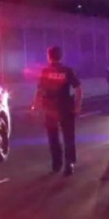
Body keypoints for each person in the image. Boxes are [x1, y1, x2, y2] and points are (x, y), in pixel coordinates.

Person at [34, 46, 82, 176]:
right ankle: (69, 164)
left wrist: (35, 105)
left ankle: (56, 165)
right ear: (61, 56)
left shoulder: (45, 71)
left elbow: (40, 90)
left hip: (50, 109)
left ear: (49, 56)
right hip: (65, 108)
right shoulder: (67, 71)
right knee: (68, 137)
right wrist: (77, 106)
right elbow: (78, 89)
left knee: (53, 138)